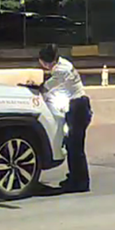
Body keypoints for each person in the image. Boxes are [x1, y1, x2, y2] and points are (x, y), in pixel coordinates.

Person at [38, 44, 92, 193]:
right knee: (72, 145)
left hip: (78, 108)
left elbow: (45, 88)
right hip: (79, 106)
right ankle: (74, 177)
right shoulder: (64, 63)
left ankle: (81, 183)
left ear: (45, 61)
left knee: (75, 148)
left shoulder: (60, 71)